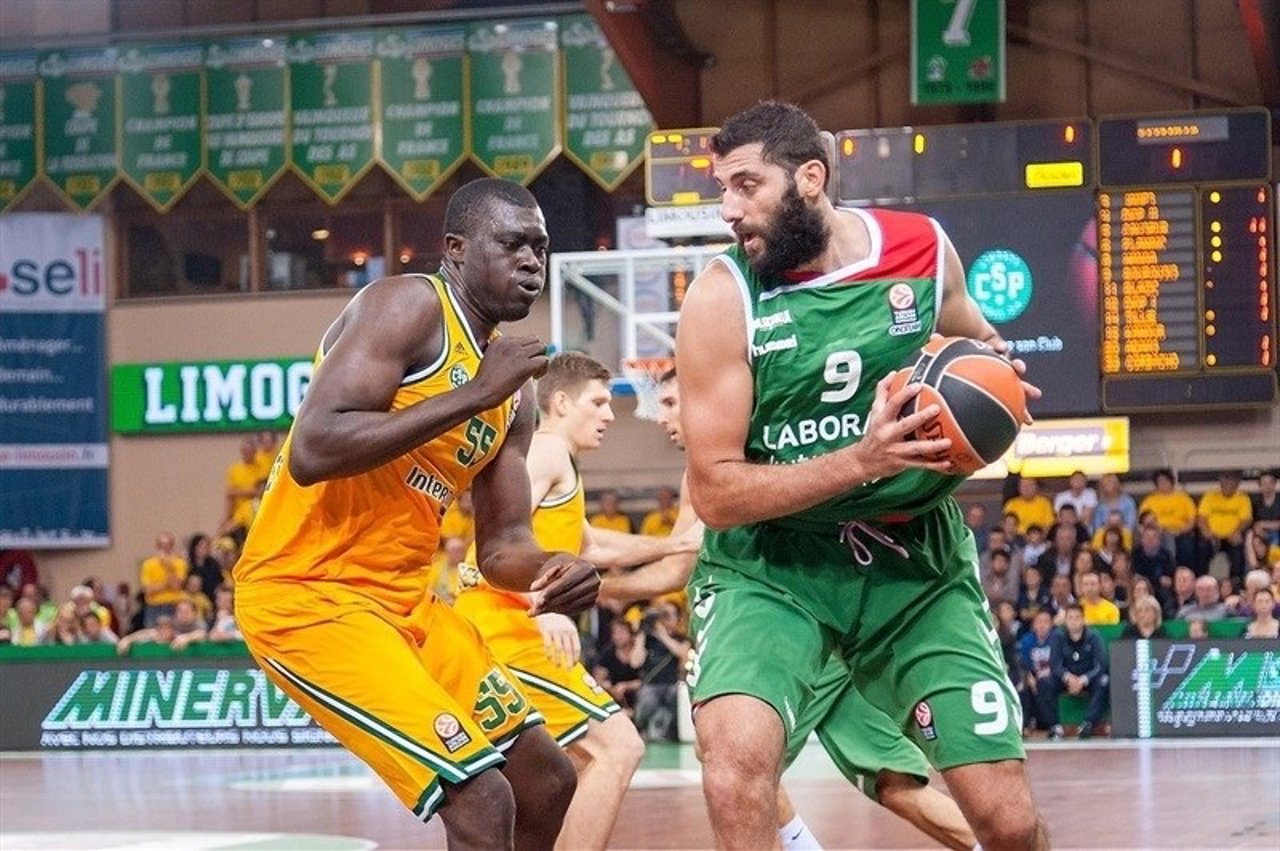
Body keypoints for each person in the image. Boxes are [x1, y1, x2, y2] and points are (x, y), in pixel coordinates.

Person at [674, 102, 1045, 848]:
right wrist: (861, 459)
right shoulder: (722, 297)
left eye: (747, 186)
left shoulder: (921, 249)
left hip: (914, 564)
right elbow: (714, 490)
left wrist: (998, 376)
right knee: (734, 771)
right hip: (772, 569)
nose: (729, 209)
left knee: (1006, 821)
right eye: (723, 190)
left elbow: (972, 334)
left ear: (810, 178)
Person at [232, 178, 601, 846]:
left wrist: (556, 565)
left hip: (407, 605)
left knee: (548, 779)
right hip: (307, 596)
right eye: (512, 243)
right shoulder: (408, 305)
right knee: (484, 800)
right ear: (456, 249)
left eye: (540, 247)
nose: (531, 262)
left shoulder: (514, 397)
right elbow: (315, 445)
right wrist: (469, 394)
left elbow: (503, 546)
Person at [600, 368, 977, 850]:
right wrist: (606, 580)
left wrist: (598, 587)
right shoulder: (708, 467)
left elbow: (677, 565)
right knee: (894, 782)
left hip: (800, 631)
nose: (665, 418)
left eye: (674, 403)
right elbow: (678, 557)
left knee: (739, 764)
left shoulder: (746, 462)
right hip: (833, 637)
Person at [451, 351, 697, 850]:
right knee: (618, 749)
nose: (611, 414)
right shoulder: (546, 452)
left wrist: (673, 544)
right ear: (561, 402)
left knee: (563, 770)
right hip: (506, 631)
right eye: (600, 402)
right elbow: (487, 550)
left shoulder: (561, 465)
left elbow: (591, 546)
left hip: (509, 629)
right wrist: (540, 601)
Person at [1043, 604, 1108, 740]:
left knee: (1103, 682)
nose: (1074, 621)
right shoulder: (1057, 636)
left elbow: (1100, 665)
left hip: (1087, 678)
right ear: (1065, 620)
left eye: (1077, 617)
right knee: (1045, 683)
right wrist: (1068, 678)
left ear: (1083, 619)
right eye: (1070, 618)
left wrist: (1083, 680)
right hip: (1065, 678)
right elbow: (1055, 664)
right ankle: (1055, 727)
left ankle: (1088, 725)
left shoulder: (1093, 636)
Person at [139, 532, 188, 626]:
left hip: (173, 606)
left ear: (172, 546)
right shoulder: (148, 564)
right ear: (157, 546)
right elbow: (148, 590)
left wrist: (167, 566)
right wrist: (166, 584)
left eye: (167, 545)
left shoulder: (180, 563)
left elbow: (176, 586)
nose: (164, 548)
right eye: (161, 545)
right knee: (152, 635)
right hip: (153, 607)